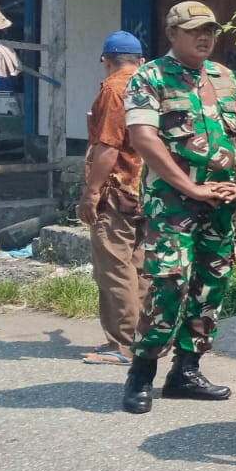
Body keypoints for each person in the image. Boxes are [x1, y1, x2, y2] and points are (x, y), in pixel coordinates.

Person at [119, 1, 236, 414]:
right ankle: (141, 374)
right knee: (169, 281)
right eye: (195, 30)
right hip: (172, 203)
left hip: (220, 203)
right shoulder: (151, 77)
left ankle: (186, 370)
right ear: (172, 34)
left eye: (210, 31)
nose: (205, 38)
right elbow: (144, 137)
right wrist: (189, 187)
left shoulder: (225, 77)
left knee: (212, 281)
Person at [79, 30, 148, 366]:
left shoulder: (114, 88)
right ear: (141, 61)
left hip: (117, 190)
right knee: (140, 267)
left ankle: (121, 345)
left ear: (107, 61)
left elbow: (108, 147)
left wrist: (91, 193)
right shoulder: (153, 86)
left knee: (114, 269)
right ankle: (144, 338)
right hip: (150, 190)